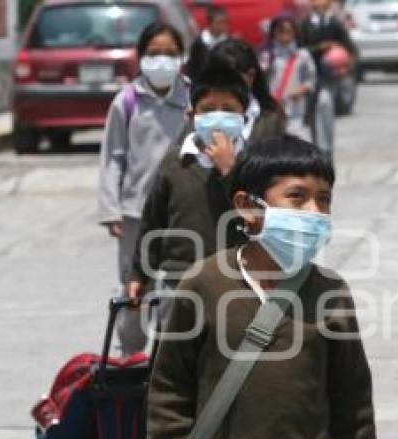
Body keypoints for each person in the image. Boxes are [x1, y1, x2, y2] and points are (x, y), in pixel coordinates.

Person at [146, 135, 387, 439]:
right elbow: (170, 388)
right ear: (249, 206)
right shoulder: (203, 285)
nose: (314, 212)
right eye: (297, 198)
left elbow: (351, 396)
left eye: (324, 200)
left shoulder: (331, 293)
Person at [126, 58, 250, 316]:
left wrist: (230, 172)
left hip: (238, 281)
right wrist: (139, 273)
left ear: (244, 117)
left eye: (228, 108)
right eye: (208, 109)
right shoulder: (175, 162)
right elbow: (153, 221)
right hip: (179, 279)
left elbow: (259, 217)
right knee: (175, 350)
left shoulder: (253, 164)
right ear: (192, 115)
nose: (217, 116)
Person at [97, 22, 190, 355]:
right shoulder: (128, 101)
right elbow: (113, 157)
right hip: (136, 212)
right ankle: (131, 356)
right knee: (134, 286)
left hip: (180, 212)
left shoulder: (193, 99)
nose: (162, 61)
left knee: (176, 287)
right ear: (140, 57)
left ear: (182, 57)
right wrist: (110, 210)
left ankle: (169, 358)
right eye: (154, 54)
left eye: (169, 53)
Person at [299, 0, 356, 156]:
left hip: (328, 78)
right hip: (308, 76)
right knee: (310, 113)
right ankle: (314, 146)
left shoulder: (335, 24)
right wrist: (320, 48)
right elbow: (300, 48)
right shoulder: (305, 25)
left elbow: (350, 49)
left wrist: (346, 67)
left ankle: (325, 149)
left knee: (325, 106)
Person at [211, 38, 288, 143]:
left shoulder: (270, 119)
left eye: (231, 79)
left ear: (251, 76)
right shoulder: (202, 116)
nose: (223, 86)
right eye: (216, 78)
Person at [261, 16, 318, 141]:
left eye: (288, 32)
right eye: (280, 32)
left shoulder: (302, 55)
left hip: (294, 107)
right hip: (273, 108)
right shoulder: (268, 55)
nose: (284, 36)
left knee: (299, 141)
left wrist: (302, 89)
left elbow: (311, 79)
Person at [185, 5, 230, 81]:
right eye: (219, 22)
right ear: (210, 23)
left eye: (225, 22)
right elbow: (193, 67)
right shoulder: (199, 43)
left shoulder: (228, 42)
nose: (222, 26)